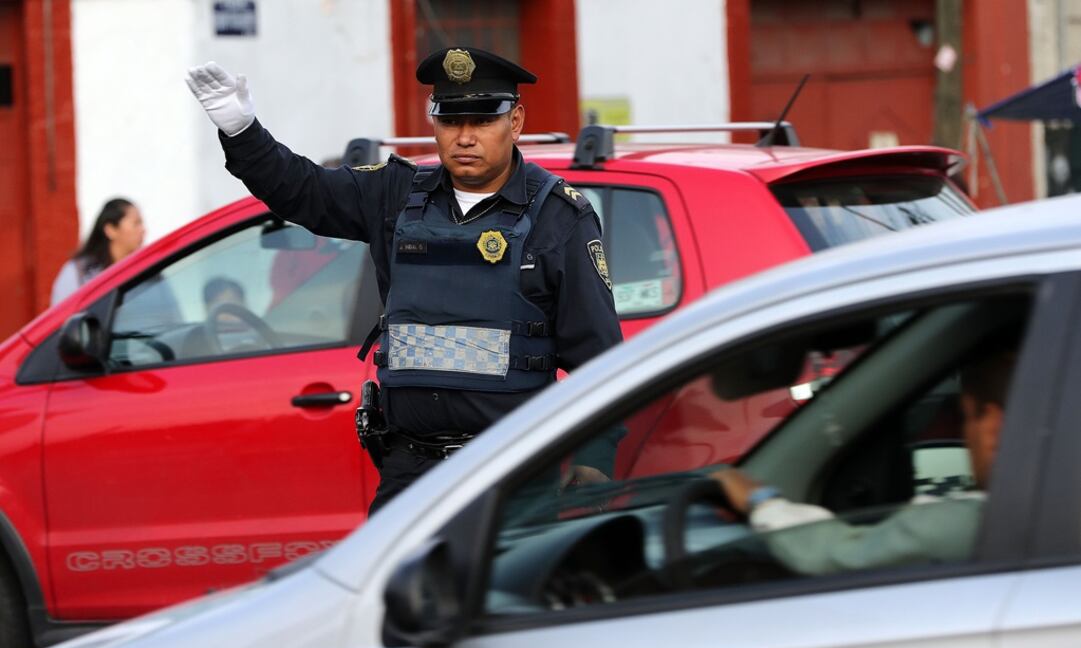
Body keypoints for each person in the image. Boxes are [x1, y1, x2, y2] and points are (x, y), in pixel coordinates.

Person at [185, 48, 623, 512]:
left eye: (482, 121)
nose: (465, 137)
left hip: (513, 473)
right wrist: (242, 131)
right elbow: (303, 191)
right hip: (410, 473)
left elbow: (600, 357)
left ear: (515, 122)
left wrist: (596, 459)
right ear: (433, 122)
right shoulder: (394, 194)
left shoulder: (560, 218)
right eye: (451, 121)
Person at [710, 340, 1018, 575]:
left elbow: (839, 554)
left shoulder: (969, 524)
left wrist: (760, 500)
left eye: (965, 417)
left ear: (992, 426)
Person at [51, 198, 145, 305]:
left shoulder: (146, 267)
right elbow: (63, 317)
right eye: (136, 223)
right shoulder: (79, 272)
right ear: (111, 230)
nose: (143, 230)